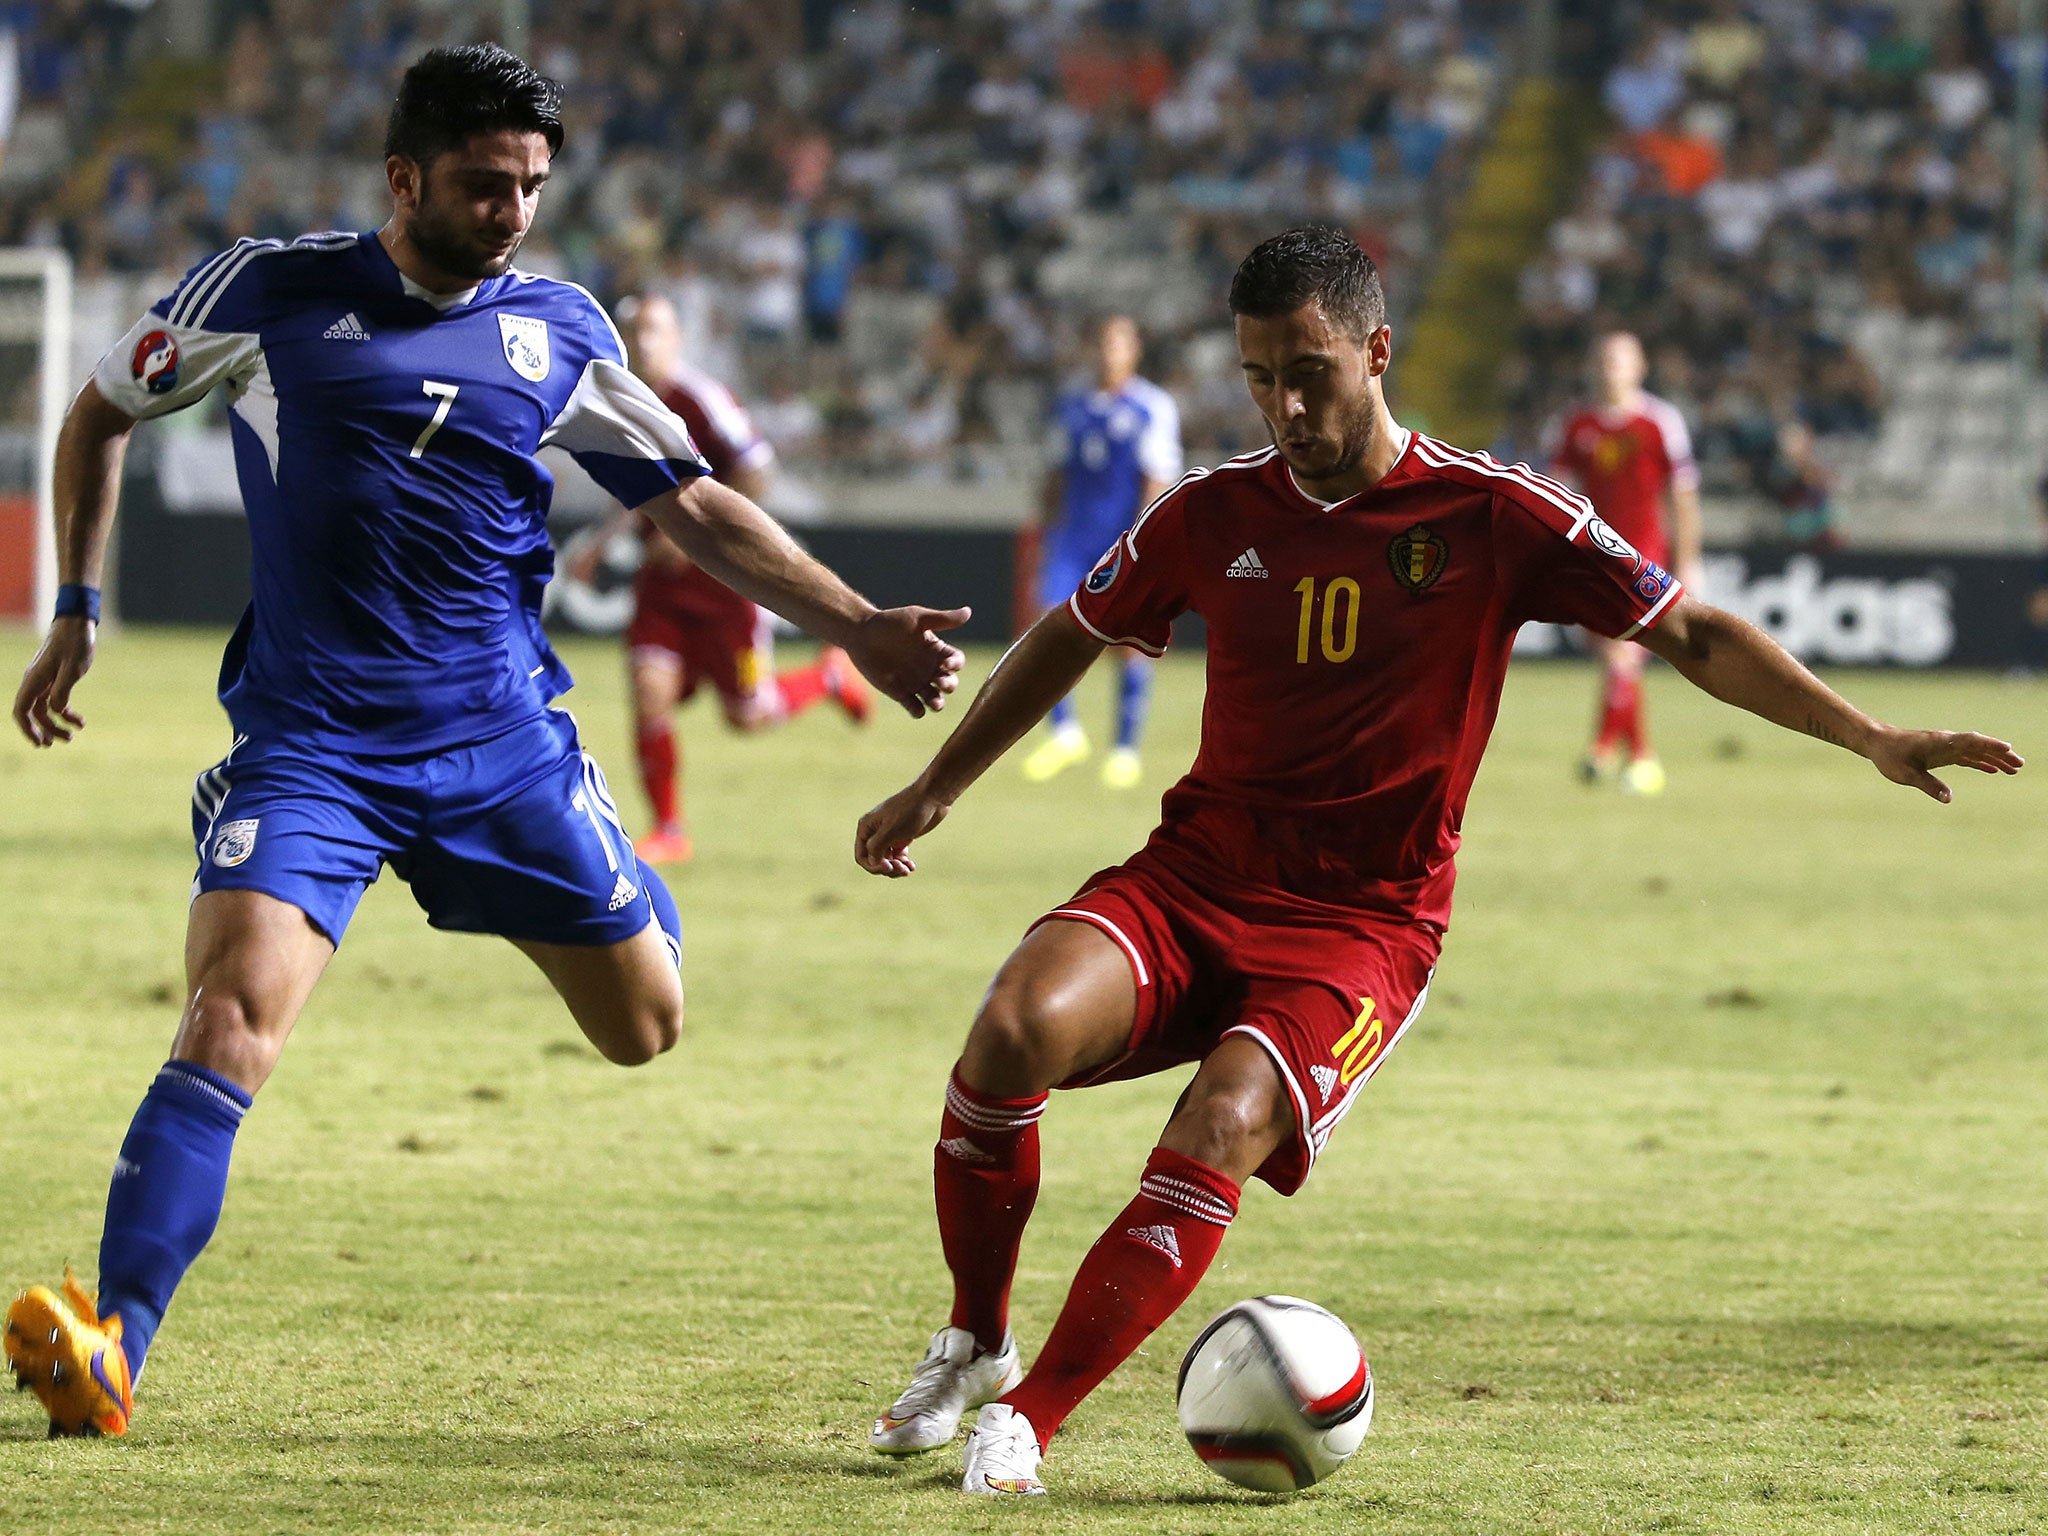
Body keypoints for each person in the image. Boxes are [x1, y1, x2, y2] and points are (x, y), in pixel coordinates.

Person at [853, 226, 2021, 1498]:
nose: (1285, 407)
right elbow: (1072, 632)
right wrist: (936, 785)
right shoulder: (1207, 511)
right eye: (1257, 377)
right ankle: (975, 1336)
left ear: (1377, 349)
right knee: (1012, 1025)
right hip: (1194, 875)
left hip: (1362, 924)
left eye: (1308, 371)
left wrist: (1865, 735)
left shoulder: (1493, 511)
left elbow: (1684, 627)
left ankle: (1028, 1415)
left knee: (1226, 1121)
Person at [4, 44, 967, 1439]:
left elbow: (689, 508)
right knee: (226, 1020)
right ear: (405, 177)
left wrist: (855, 622)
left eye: (531, 185)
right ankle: (112, 1350)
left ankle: (608, 873)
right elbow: (100, 413)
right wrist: (79, 608)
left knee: (647, 1026)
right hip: (314, 749)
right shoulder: (269, 290)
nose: (512, 210)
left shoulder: (564, 331)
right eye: (483, 183)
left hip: (502, 746)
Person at [570, 292, 871, 867]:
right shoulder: (623, 400)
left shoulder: (701, 398)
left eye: (654, 328)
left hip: (725, 585)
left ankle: (830, 678)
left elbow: (757, 470)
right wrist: (600, 546)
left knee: (748, 715)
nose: (643, 340)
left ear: (679, 337)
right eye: (633, 329)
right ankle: (669, 829)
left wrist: (701, 536)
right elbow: (637, 489)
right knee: (648, 691)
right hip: (661, 586)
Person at [1018, 315, 1181, 790]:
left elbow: (1157, 479)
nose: (1108, 350)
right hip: (1072, 538)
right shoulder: (1070, 407)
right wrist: (1043, 530)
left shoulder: (1153, 407)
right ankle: (1065, 733)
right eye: (1102, 341)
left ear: (1135, 351)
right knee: (1046, 626)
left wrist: (1144, 543)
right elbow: (1055, 475)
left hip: (1122, 538)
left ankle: (1125, 750)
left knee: (1129, 642)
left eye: (1117, 342)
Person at [1549, 330, 1704, 794]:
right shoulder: (1577, 424)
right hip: (1592, 555)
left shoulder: (1660, 422)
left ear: (1640, 367)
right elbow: (1555, 488)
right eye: (1602, 359)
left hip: (1644, 554)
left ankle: (1616, 753)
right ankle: (1629, 754)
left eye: (1618, 360)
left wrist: (1688, 560)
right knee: (1615, 658)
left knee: (1623, 654)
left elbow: (1683, 498)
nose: (1608, 368)